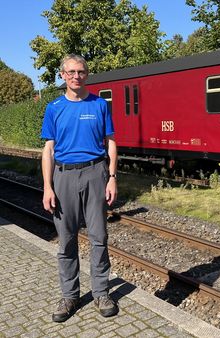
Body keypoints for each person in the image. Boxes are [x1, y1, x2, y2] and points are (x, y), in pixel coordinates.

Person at [41, 54, 119, 322]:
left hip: (96, 173)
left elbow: (111, 142)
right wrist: (47, 187)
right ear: (62, 75)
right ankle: (70, 296)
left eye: (81, 72)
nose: (76, 76)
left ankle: (101, 293)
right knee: (66, 241)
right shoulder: (54, 108)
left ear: (87, 74)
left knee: (99, 237)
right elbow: (48, 150)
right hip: (63, 177)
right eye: (71, 72)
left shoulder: (100, 104)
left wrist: (112, 177)